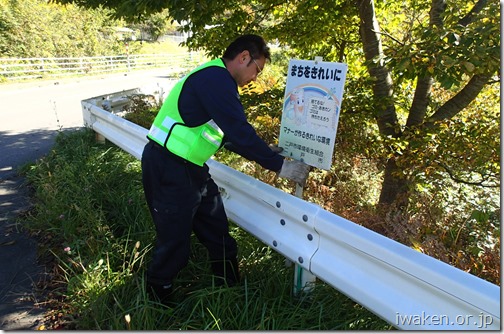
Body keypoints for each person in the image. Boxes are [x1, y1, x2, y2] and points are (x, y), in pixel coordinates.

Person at [141, 34, 309, 303]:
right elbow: (239, 131)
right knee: (175, 242)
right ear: (244, 57)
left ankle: (230, 290)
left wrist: (266, 152)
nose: (255, 77)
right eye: (257, 70)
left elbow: (227, 135)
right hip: (168, 166)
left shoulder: (217, 81)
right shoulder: (216, 79)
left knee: (218, 232)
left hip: (191, 169)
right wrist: (280, 166)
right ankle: (158, 300)